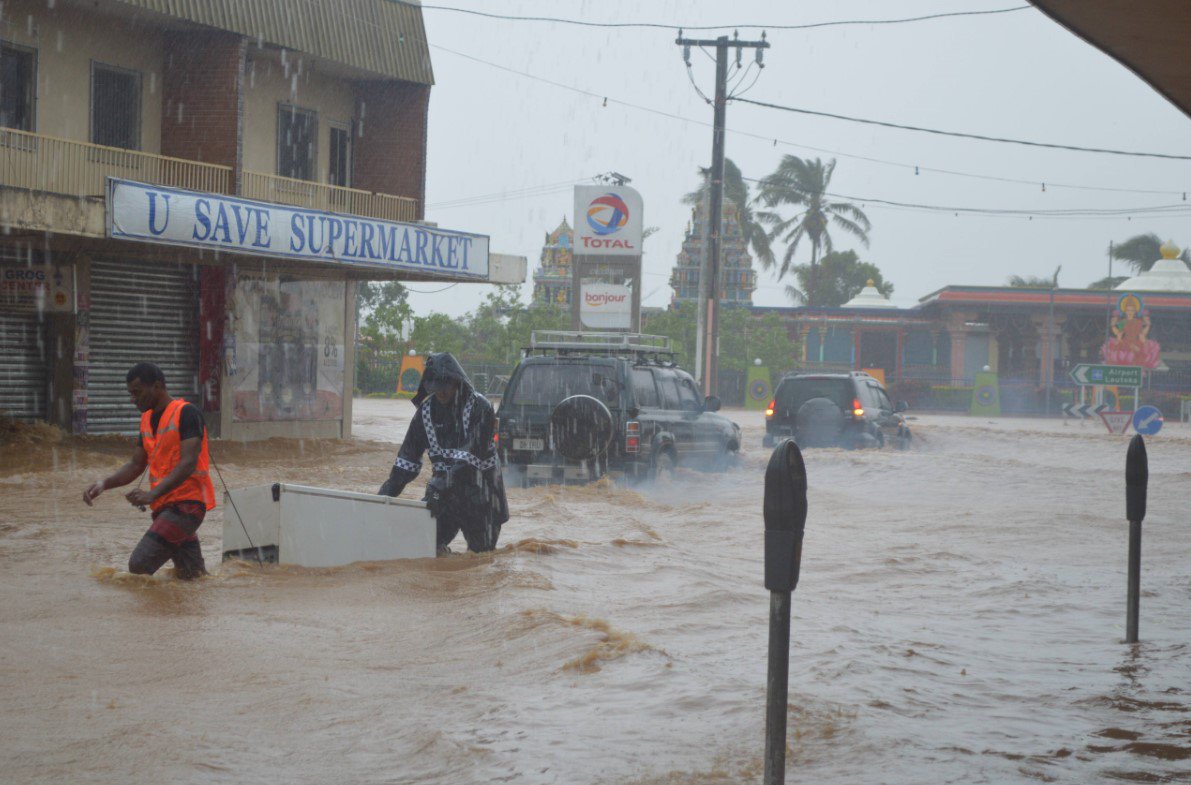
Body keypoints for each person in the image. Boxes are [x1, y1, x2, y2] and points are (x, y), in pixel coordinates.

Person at [82, 362, 216, 579]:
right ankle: (195, 611)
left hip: (187, 507)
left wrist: (151, 493)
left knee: (139, 565)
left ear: (157, 386)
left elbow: (188, 462)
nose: (133, 399)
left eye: (137, 392)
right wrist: (104, 484)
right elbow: (136, 464)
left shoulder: (187, 413)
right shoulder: (145, 420)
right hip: (165, 508)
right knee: (193, 579)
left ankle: (155, 613)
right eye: (130, 394)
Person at [378, 353, 508, 553]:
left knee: (479, 561)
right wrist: (384, 496)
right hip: (445, 498)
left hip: (482, 498)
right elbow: (407, 461)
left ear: (457, 382)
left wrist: (439, 487)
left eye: (446, 388)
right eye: (436, 390)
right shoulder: (425, 413)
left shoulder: (480, 408)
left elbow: (469, 458)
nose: (441, 394)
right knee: (424, 547)